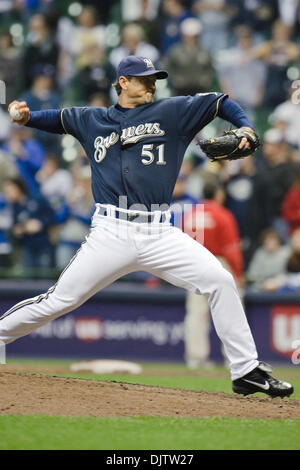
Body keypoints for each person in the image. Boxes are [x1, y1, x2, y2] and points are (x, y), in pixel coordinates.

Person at [0, 55, 293, 398]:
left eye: (154, 77)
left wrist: (245, 126)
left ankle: (246, 371)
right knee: (60, 300)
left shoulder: (172, 111)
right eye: (143, 78)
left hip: (160, 232)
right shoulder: (93, 119)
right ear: (123, 82)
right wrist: (27, 117)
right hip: (110, 231)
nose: (152, 83)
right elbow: (59, 119)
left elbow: (219, 102)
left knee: (219, 280)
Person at [183, 181, 244, 368]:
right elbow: (231, 249)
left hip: (194, 264)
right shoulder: (222, 214)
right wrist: (238, 274)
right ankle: (234, 358)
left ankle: (195, 358)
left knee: (196, 314)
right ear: (217, 193)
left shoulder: (190, 214)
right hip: (219, 262)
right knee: (229, 312)